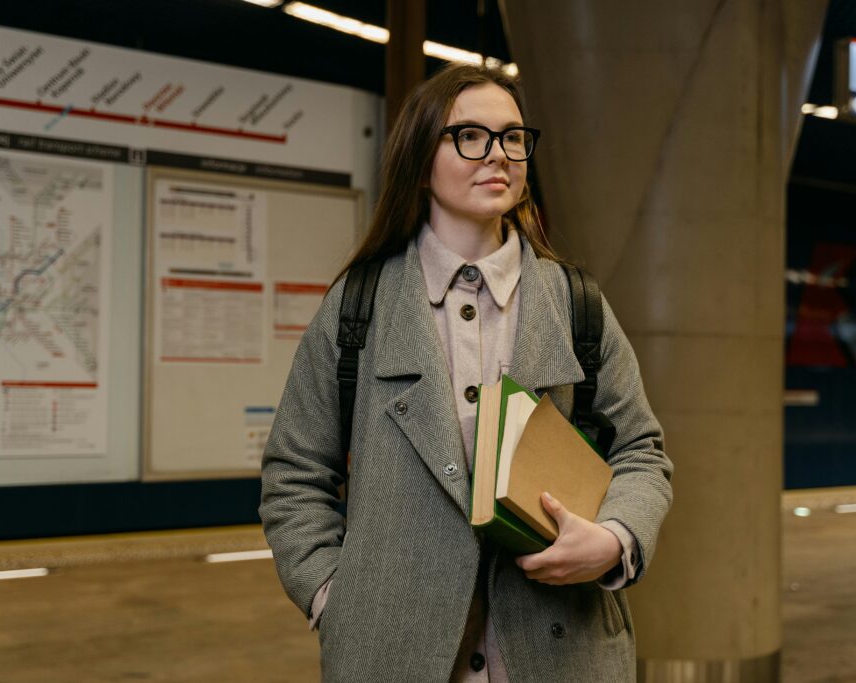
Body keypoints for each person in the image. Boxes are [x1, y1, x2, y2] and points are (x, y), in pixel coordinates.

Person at [260, 63, 673, 682]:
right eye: (470, 136)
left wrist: (615, 537)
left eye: (512, 137)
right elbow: (294, 473)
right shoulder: (357, 307)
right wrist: (334, 598)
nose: (498, 155)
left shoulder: (575, 303)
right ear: (419, 157)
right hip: (392, 655)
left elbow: (642, 449)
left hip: (561, 651)